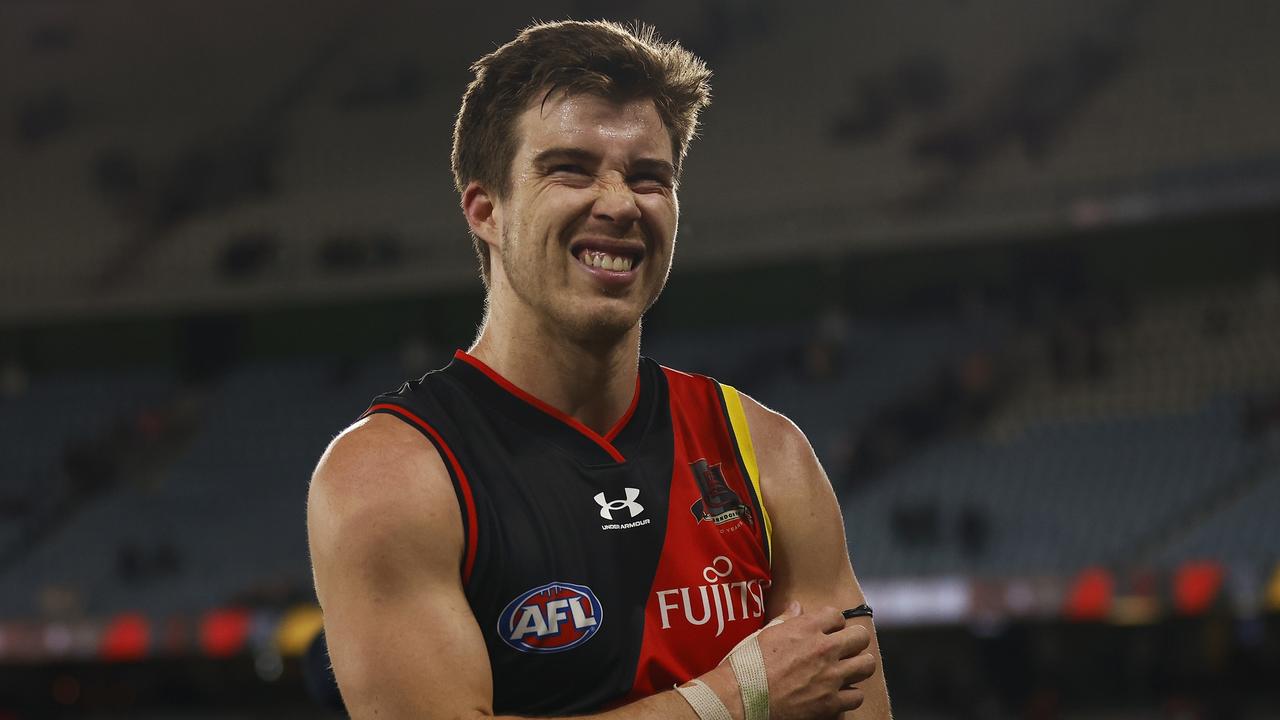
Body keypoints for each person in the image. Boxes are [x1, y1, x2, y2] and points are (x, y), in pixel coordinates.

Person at [307, 20, 892, 719]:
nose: (619, 203)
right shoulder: (392, 475)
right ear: (486, 209)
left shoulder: (766, 451)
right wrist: (733, 701)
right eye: (571, 169)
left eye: (650, 178)